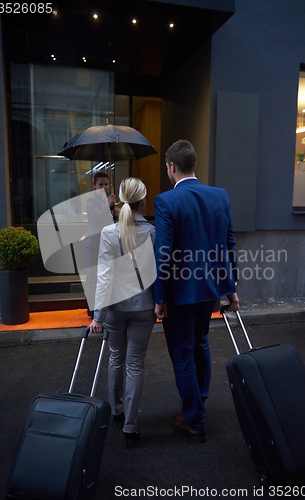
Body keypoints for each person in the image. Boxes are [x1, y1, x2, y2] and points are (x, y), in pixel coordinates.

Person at [154, 139, 239, 443]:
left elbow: (163, 254)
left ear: (171, 167)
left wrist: (159, 297)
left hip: (179, 294)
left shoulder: (166, 201)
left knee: (182, 353)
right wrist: (232, 290)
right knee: (200, 342)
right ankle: (198, 400)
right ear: (194, 165)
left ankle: (195, 419)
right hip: (211, 289)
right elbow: (228, 245)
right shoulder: (220, 196)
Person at [90, 178, 156, 448]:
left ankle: (117, 412)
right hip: (144, 307)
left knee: (116, 358)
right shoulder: (153, 232)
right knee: (135, 364)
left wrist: (98, 315)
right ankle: (130, 426)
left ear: (119, 201)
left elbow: (104, 277)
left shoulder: (108, 233)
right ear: (143, 201)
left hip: (115, 308)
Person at [83, 172, 116, 318]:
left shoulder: (108, 200)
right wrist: (107, 205)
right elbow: (95, 218)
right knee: (92, 277)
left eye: (106, 184)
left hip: (106, 244)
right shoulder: (91, 200)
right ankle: (92, 310)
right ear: (94, 185)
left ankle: (102, 308)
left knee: (104, 276)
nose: (104, 187)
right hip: (92, 245)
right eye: (101, 184)